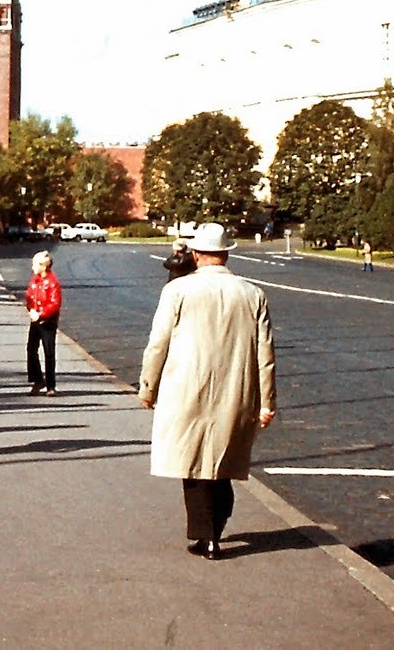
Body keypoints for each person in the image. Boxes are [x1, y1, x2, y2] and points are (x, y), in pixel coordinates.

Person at [138, 222, 277, 561]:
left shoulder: (178, 291)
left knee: (192, 462)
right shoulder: (253, 294)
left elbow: (158, 343)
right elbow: (265, 353)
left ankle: (205, 535)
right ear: (227, 253)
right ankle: (214, 530)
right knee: (222, 462)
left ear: (197, 254)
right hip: (236, 389)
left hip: (186, 386)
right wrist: (267, 401)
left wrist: (148, 387)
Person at [26, 250, 63, 396]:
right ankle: (37, 379)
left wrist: (41, 314)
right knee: (31, 349)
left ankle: (50, 384)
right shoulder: (35, 280)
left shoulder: (52, 282)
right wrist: (31, 310)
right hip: (35, 320)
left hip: (48, 322)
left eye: (35, 264)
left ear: (43, 266)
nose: (32, 268)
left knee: (49, 352)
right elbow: (29, 295)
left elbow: (54, 303)